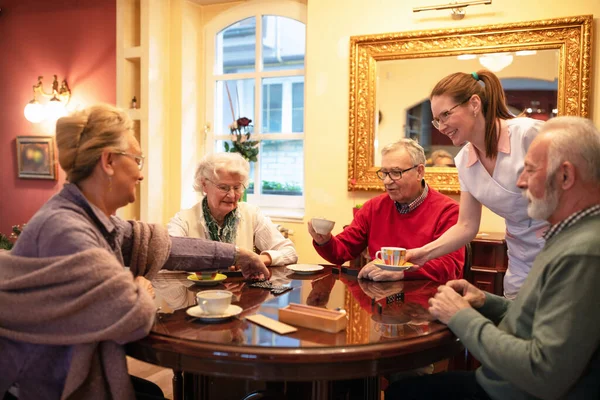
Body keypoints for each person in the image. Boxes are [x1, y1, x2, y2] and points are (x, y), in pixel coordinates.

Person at [0, 104, 268, 400]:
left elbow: (162, 245)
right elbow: (132, 316)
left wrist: (238, 254)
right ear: (109, 161)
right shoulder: (66, 229)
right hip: (52, 386)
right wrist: (137, 287)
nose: (140, 175)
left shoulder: (87, 217)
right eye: (137, 160)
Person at [386, 116, 600, 400]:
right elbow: (538, 323)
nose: (520, 182)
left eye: (530, 170)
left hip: (509, 392)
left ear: (565, 176)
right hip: (504, 384)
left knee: (403, 392)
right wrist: (486, 301)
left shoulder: (583, 252)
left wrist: (460, 316)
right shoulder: (569, 235)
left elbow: (542, 371)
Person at [407, 69, 547, 299]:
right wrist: (423, 253)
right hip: (521, 265)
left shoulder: (527, 135)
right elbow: (466, 226)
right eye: (436, 120)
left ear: (474, 104)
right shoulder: (464, 161)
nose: (441, 127)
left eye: (446, 115)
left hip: (565, 256)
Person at [310, 139, 464, 283]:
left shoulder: (448, 211)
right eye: (384, 173)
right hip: (379, 299)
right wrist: (324, 241)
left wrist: (402, 271)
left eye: (396, 172)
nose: (387, 181)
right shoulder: (373, 207)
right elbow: (341, 252)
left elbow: (450, 267)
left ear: (419, 172)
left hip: (428, 302)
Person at [167, 152, 298, 267]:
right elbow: (168, 255)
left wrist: (257, 259)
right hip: (198, 294)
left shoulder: (251, 214)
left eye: (237, 187)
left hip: (240, 293)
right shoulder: (183, 221)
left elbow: (289, 252)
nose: (231, 195)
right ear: (204, 185)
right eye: (223, 187)